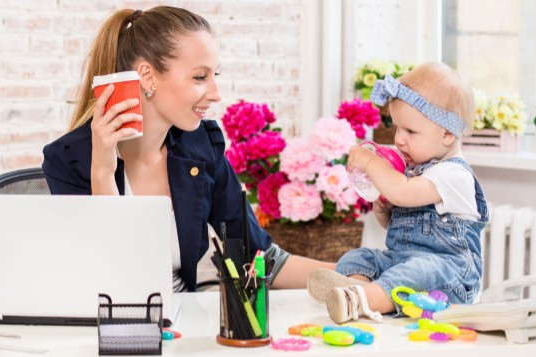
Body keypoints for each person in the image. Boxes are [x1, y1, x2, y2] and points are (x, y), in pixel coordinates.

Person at [42, 6, 332, 292]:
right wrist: (103, 173)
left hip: (184, 325)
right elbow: (111, 280)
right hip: (107, 328)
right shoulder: (70, 160)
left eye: (214, 75)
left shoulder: (201, 146)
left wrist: (351, 276)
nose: (216, 93)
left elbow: (259, 257)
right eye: (200, 77)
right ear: (147, 76)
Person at [307, 62, 488, 323]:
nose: (399, 139)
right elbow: (393, 222)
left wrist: (371, 163)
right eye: (397, 128)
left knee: (415, 272)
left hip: (449, 275)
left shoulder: (454, 175)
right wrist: (383, 209)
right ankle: (354, 289)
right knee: (359, 257)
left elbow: (403, 192)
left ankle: (359, 300)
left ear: (448, 133)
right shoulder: (416, 170)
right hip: (401, 260)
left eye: (411, 131)